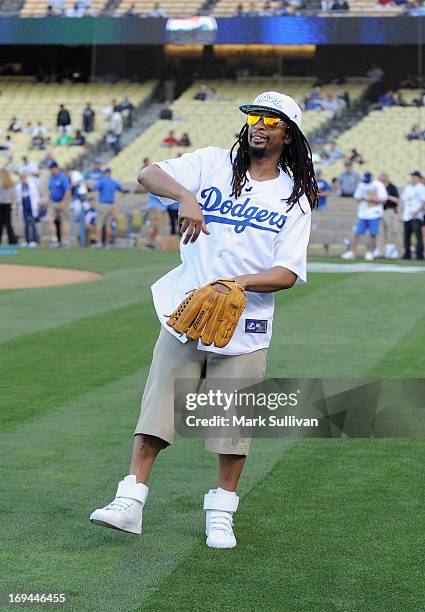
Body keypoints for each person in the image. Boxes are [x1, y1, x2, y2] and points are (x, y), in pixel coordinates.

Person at [89, 90, 317, 549]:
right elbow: (148, 173)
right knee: (157, 408)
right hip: (185, 312)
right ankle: (130, 501)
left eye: (271, 120)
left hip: (244, 323)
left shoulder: (294, 198)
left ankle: (221, 513)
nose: (259, 124)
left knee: (231, 425)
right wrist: (186, 196)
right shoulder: (212, 163)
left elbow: (287, 272)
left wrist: (235, 286)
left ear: (287, 133)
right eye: (254, 116)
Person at [342, 171, 387, 260]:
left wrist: (372, 199)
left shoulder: (378, 185)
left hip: (374, 213)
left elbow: (383, 199)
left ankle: (370, 252)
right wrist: (363, 198)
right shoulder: (361, 184)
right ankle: (352, 251)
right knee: (357, 233)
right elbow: (357, 196)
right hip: (363, 213)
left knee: (372, 234)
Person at [93, 168, 126, 246]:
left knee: (99, 224)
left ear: (104, 173)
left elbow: (95, 188)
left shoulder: (102, 181)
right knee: (108, 225)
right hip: (111, 205)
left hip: (103, 204)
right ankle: (107, 243)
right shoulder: (113, 181)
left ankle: (99, 242)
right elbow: (122, 189)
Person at [401, 171, 425, 260]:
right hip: (407, 215)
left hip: (416, 216)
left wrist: (416, 212)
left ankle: (419, 255)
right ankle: (407, 254)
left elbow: (423, 202)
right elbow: (404, 200)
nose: (413, 178)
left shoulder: (421, 188)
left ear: (419, 178)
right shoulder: (408, 187)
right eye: (412, 177)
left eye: (414, 177)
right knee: (407, 236)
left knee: (418, 236)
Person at [378, 173, 401, 259]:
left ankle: (399, 251)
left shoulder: (392, 187)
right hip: (380, 210)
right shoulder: (379, 187)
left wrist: (387, 197)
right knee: (381, 233)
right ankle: (381, 252)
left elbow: (397, 200)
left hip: (389, 210)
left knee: (394, 231)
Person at [47, 162, 71, 247]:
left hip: (62, 201)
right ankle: (54, 240)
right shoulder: (51, 178)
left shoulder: (62, 178)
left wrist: (63, 202)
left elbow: (68, 191)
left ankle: (67, 241)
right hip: (53, 202)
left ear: (56, 168)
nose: (51, 170)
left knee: (65, 221)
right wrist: (48, 201)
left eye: (52, 169)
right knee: (50, 220)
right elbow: (50, 190)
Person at [16, 172, 40, 247]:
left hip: (31, 207)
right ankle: (26, 240)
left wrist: (37, 207)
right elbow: (18, 199)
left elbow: (36, 196)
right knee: (26, 224)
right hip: (24, 208)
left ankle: (34, 240)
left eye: (24, 178)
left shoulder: (32, 185)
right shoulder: (19, 186)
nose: (23, 179)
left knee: (32, 224)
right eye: (21, 178)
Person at [0, 168, 17, 245]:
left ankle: (11, 241)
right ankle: (12, 241)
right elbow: (13, 194)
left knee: (1, 224)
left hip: (1, 204)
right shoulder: (10, 183)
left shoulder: (1, 182)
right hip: (8, 204)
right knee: (8, 224)